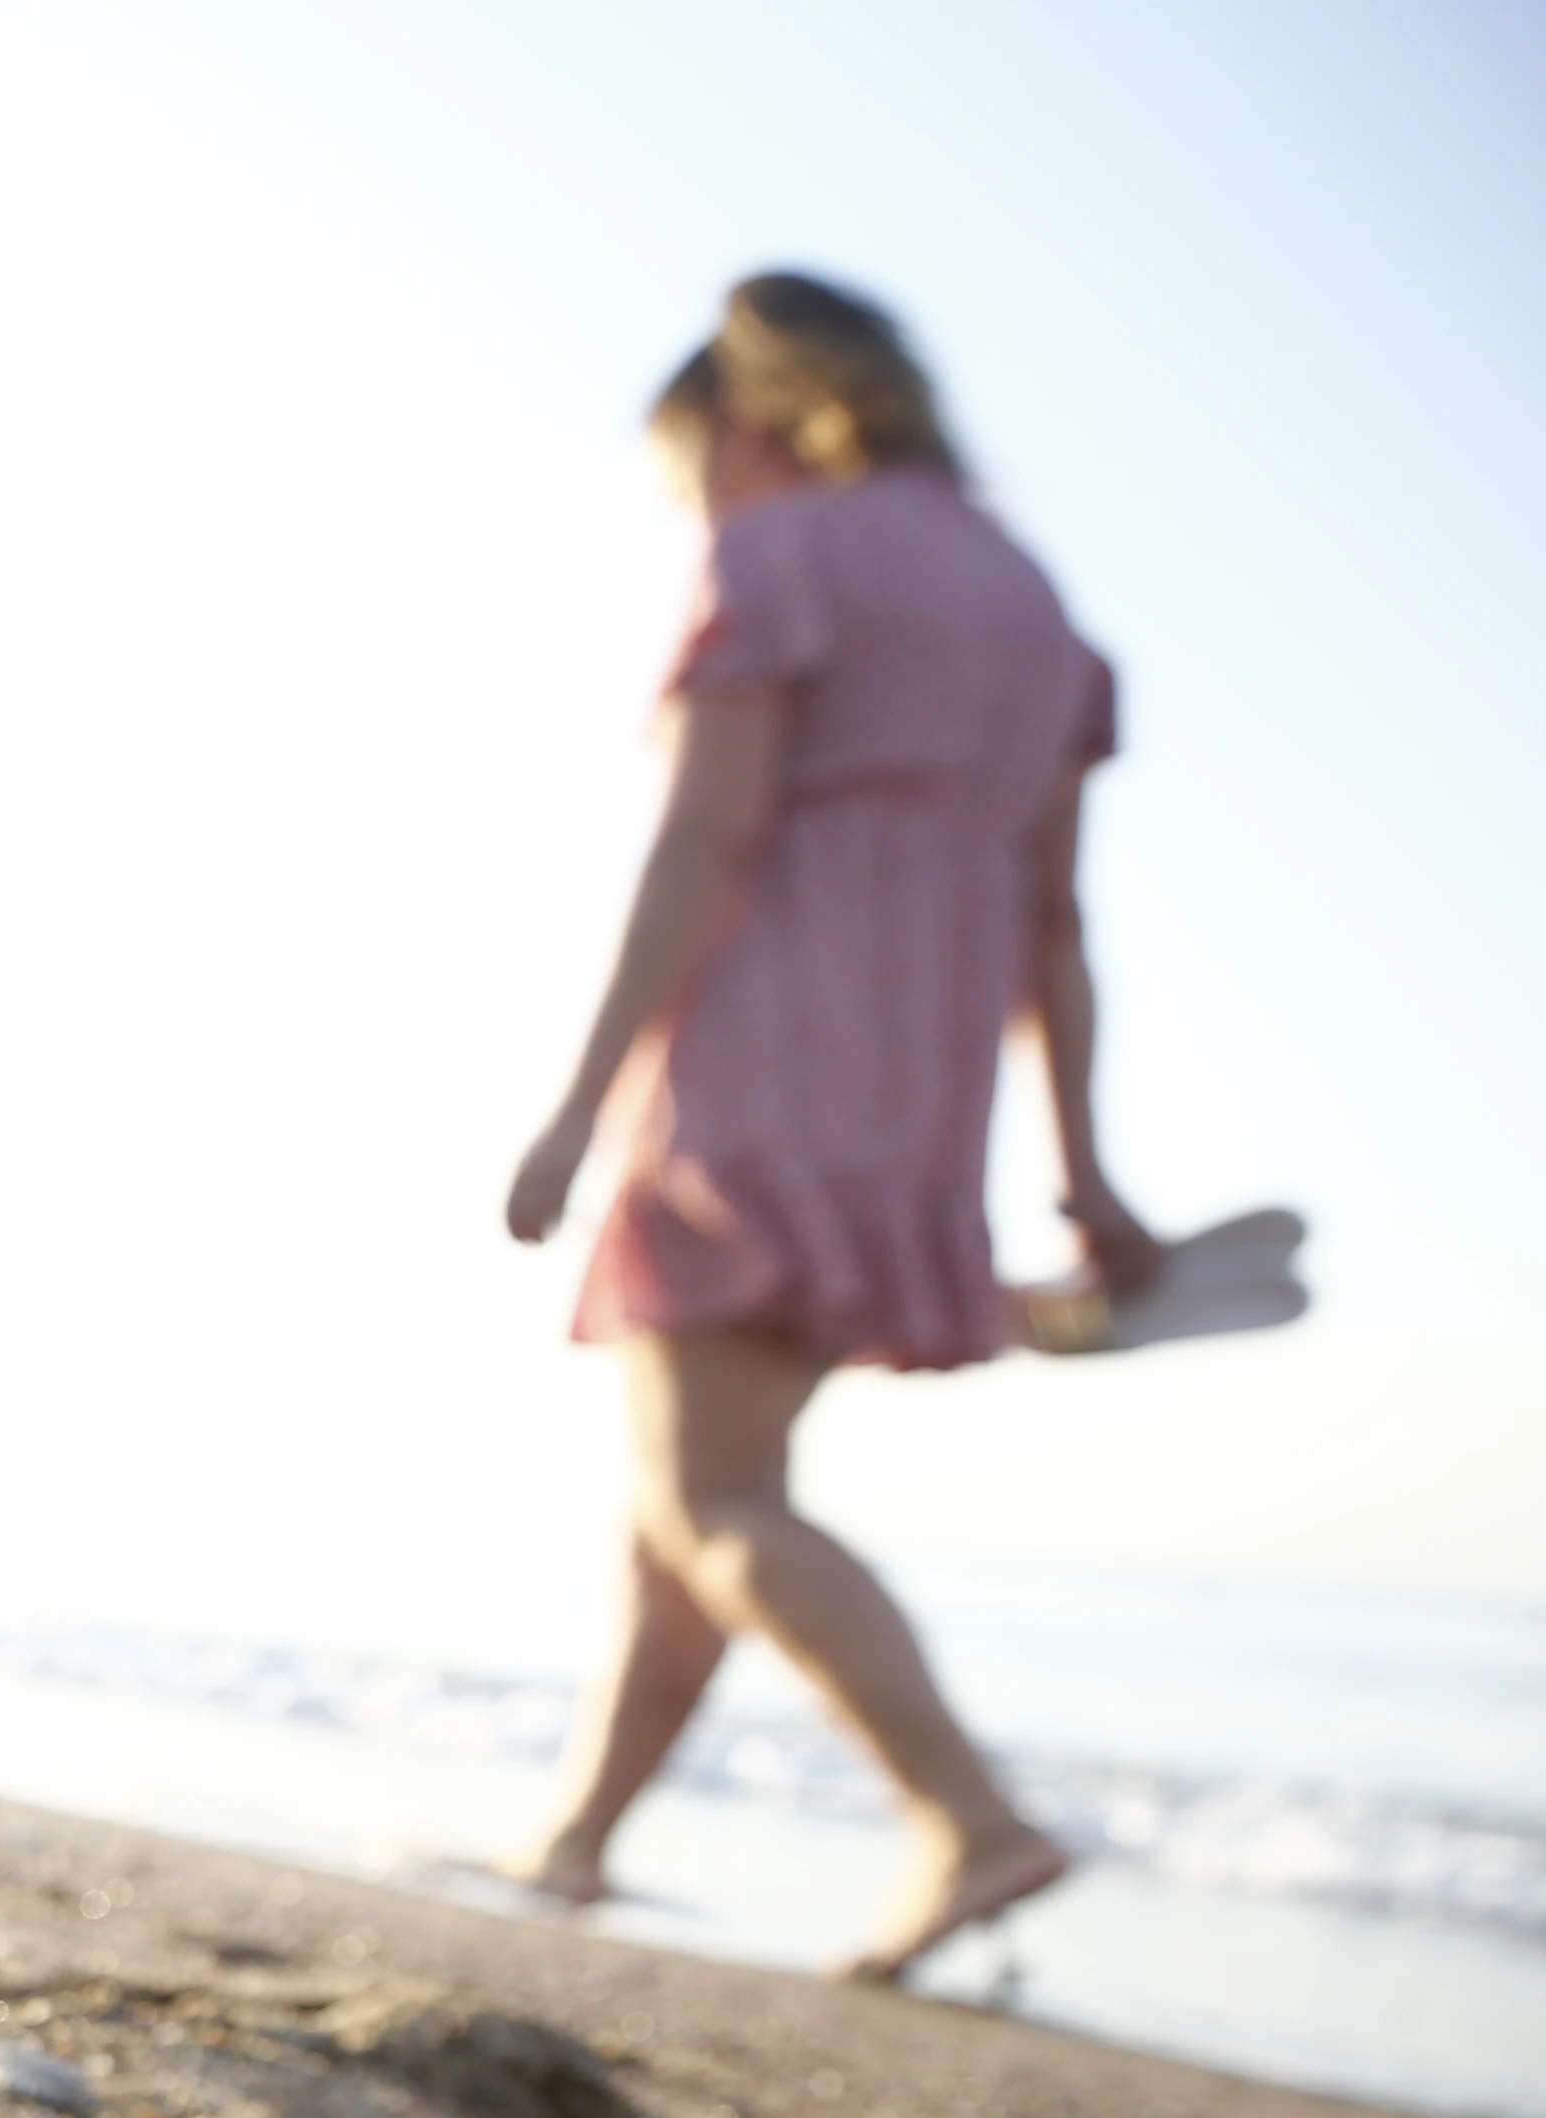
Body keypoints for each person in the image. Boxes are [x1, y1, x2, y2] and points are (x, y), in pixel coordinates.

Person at [499, 272, 1160, 1983]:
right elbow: (1054, 923)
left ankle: (969, 1819)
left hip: (765, 1054)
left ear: (757, 422)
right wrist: (1083, 1176)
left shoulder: (785, 554)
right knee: (705, 1493)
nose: (701, 513)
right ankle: (578, 1840)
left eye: (694, 476)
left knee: (709, 1490)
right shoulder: (1036, 603)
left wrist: (577, 1105)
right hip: (921, 1096)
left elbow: (704, 842)